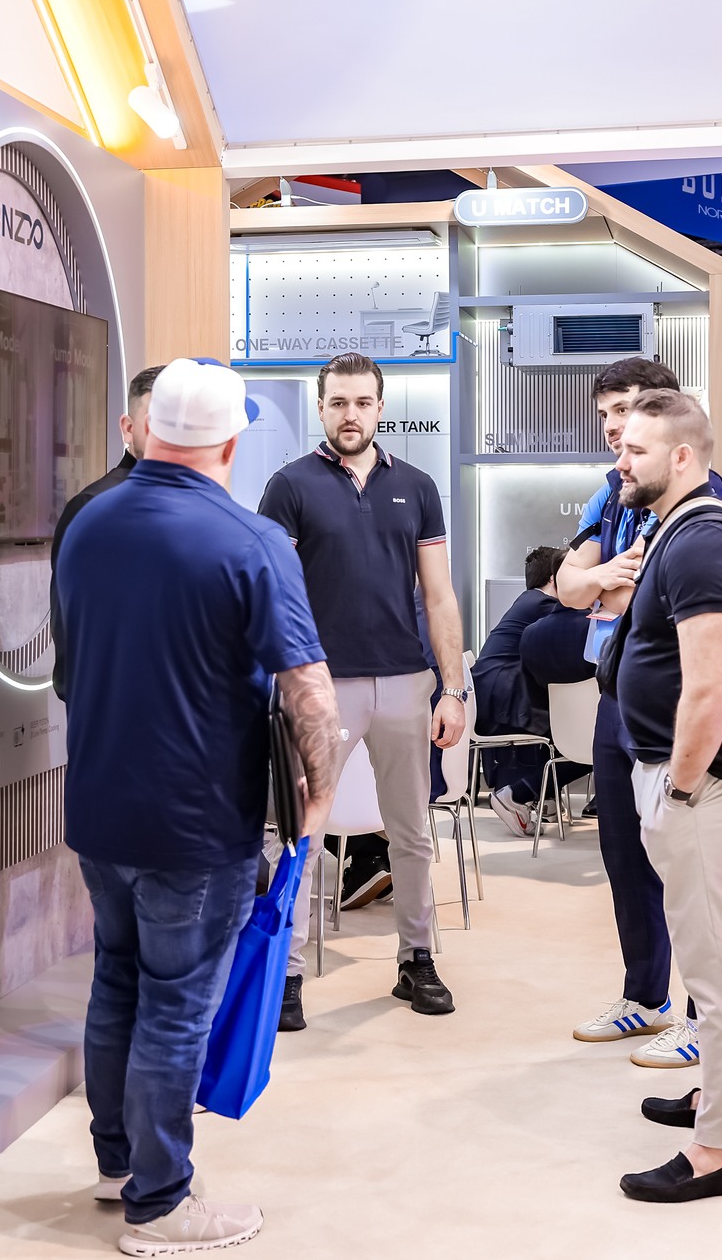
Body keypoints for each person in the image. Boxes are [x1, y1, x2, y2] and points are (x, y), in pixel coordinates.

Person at [57, 357, 343, 1255]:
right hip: (195, 819)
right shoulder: (251, 541)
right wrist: (317, 800)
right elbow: (309, 690)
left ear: (149, 429)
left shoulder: (88, 523)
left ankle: (119, 1165)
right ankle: (160, 1202)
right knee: (177, 1004)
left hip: (99, 807)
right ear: (229, 441)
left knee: (118, 978)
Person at [259, 352, 465, 1030]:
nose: (351, 414)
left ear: (381, 407)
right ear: (320, 407)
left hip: (405, 681)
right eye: (339, 402)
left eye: (363, 402)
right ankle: (285, 974)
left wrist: (453, 687)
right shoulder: (288, 486)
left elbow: (439, 596)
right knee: (301, 836)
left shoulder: (418, 487)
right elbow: (276, 595)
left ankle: (416, 957)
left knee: (411, 832)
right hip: (321, 686)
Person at [611, 388, 722, 1204]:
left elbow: (708, 688)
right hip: (695, 781)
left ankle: (718, 1151)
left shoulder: (702, 543)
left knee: (716, 969)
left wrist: (676, 787)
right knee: (713, 959)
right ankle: (721, 1095)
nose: (620, 458)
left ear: (681, 457)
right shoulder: (683, 526)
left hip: (703, 784)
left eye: (635, 449)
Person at [553, 356, 722, 1052]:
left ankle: (701, 1019)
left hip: (673, 701)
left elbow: (631, 596)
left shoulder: (699, 501)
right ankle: (645, 995)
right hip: (614, 691)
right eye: (605, 415)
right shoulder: (611, 494)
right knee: (624, 851)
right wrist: (599, 575)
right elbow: (565, 586)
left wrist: (601, 584)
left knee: (688, 866)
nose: (613, 428)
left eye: (625, 411)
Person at [51, 364, 161, 702]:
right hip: (114, 710)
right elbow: (71, 627)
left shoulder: (203, 510)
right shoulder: (92, 508)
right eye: (156, 422)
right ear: (128, 428)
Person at [472, 545, 593, 836]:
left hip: (496, 693)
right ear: (555, 578)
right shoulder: (543, 604)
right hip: (505, 696)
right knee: (588, 738)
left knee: (571, 729)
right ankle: (521, 793)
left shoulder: (530, 601)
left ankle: (540, 796)